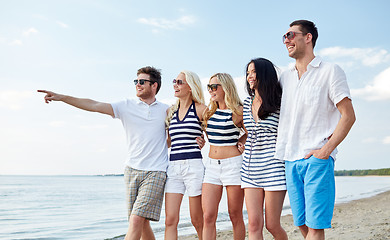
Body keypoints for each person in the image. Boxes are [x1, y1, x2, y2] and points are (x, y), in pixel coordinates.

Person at [38, 66, 169, 240]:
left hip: (156, 171)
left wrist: (197, 140)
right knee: (140, 222)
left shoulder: (167, 110)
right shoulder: (126, 106)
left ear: (154, 86)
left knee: (137, 219)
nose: (138, 84)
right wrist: (62, 98)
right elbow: (93, 105)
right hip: (131, 170)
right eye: (136, 81)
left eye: (142, 81)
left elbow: (171, 139)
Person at [275, 20, 356, 240]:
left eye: (290, 35)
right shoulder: (284, 76)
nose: (286, 40)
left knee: (315, 227)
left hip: (316, 158)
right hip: (289, 159)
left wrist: (325, 150)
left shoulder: (330, 71)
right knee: (301, 223)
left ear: (308, 37)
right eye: (284, 37)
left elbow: (348, 116)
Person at [240, 58, 288, 240]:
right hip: (250, 167)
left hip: (274, 166)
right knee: (253, 224)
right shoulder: (246, 103)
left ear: (265, 74)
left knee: (272, 224)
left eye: (253, 72)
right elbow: (248, 131)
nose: (250, 76)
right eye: (248, 73)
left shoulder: (280, 100)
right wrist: (240, 142)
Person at [202, 73, 246, 240]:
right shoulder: (208, 112)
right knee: (208, 216)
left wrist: (242, 141)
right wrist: (200, 140)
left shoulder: (238, 111)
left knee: (235, 215)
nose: (211, 90)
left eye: (214, 87)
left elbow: (251, 133)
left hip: (233, 166)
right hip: (211, 167)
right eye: (209, 87)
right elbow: (208, 135)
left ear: (226, 88)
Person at [164, 70, 208, 240]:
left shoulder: (201, 109)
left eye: (180, 82)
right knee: (170, 220)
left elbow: (215, 134)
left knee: (197, 220)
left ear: (191, 87)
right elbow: (168, 142)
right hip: (173, 168)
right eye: (175, 81)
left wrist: (204, 141)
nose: (175, 84)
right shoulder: (170, 112)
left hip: (194, 166)